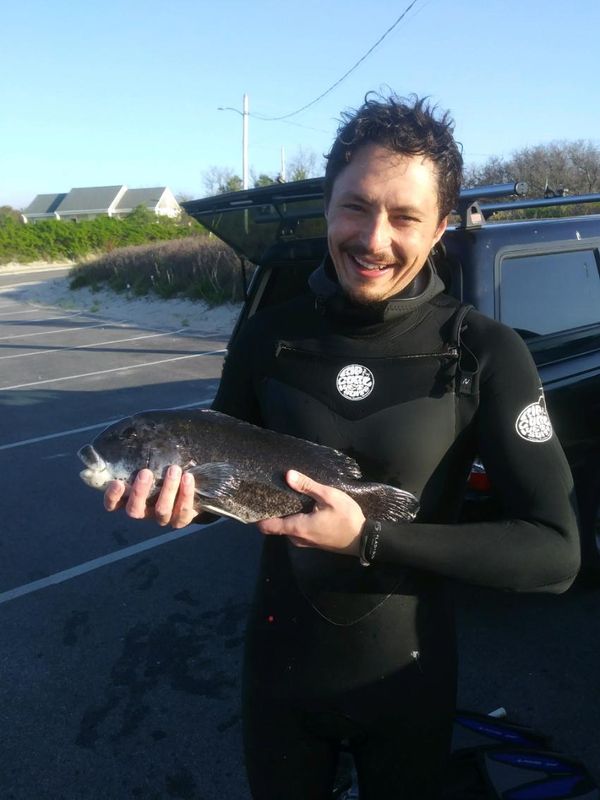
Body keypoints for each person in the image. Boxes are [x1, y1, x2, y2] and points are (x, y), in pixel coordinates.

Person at [105, 94, 580, 799]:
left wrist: (370, 540)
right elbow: (221, 483)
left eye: (406, 216)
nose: (374, 238)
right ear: (328, 205)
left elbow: (555, 553)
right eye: (355, 206)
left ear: (441, 226)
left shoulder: (483, 351)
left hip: (407, 680)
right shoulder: (269, 338)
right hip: (279, 677)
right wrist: (183, 503)